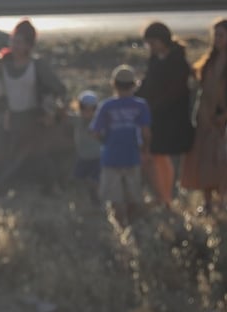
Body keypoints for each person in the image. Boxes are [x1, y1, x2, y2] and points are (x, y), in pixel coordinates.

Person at [0, 19, 66, 191]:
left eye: (19, 42)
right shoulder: (3, 65)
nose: (14, 46)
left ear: (28, 45)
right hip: (9, 120)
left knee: (29, 157)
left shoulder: (37, 65)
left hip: (32, 121)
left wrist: (50, 111)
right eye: (13, 41)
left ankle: (41, 188)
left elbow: (57, 90)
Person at [180, 18, 227, 214]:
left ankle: (223, 201)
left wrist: (226, 115)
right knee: (202, 158)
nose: (217, 39)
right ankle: (207, 203)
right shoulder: (208, 61)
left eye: (221, 35)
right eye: (215, 35)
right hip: (204, 116)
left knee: (220, 160)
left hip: (222, 118)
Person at [135, 22, 195, 208]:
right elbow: (148, 83)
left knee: (170, 158)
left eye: (152, 43)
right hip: (157, 116)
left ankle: (169, 196)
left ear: (162, 40)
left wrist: (153, 104)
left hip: (173, 117)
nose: (150, 47)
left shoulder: (178, 61)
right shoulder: (155, 59)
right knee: (156, 155)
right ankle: (162, 194)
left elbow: (174, 91)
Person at [91, 65, 151, 229]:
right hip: (132, 156)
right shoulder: (141, 105)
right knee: (133, 194)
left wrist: (107, 141)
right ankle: (132, 226)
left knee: (114, 197)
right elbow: (146, 133)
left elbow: (95, 132)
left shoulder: (106, 106)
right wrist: (145, 151)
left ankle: (121, 228)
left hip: (111, 156)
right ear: (133, 85)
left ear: (114, 84)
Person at [70, 90, 102, 189]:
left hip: (97, 159)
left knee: (95, 182)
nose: (88, 111)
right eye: (84, 108)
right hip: (82, 158)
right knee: (77, 182)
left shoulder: (99, 122)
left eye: (91, 108)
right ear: (80, 107)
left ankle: (95, 200)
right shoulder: (76, 120)